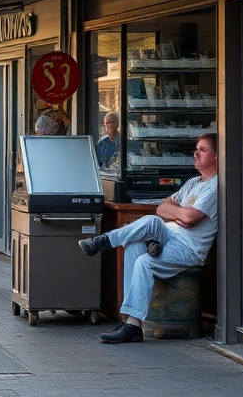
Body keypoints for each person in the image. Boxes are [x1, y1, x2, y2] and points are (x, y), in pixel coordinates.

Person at [79, 133, 219, 343]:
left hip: (189, 248)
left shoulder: (216, 186)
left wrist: (180, 213)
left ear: (216, 156)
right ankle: (128, 320)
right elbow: (162, 208)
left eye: (203, 150)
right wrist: (180, 215)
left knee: (144, 261)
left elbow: (191, 217)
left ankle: (133, 324)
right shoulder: (193, 182)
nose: (196, 153)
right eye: (196, 149)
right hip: (170, 234)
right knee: (148, 226)